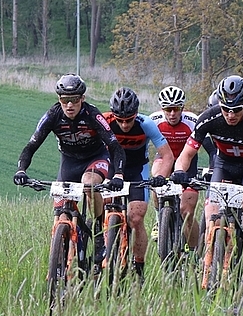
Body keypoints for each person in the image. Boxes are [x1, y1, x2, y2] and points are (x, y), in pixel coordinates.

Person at [170, 75, 243, 276]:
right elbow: (186, 154)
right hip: (224, 165)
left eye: (236, 110)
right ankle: (209, 260)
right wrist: (180, 171)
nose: (230, 115)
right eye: (226, 109)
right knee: (212, 216)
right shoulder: (209, 118)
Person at [13, 73, 126, 278]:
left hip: (95, 157)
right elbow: (32, 145)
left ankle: (99, 231)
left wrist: (117, 174)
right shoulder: (53, 115)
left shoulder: (92, 115)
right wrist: (22, 169)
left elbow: (114, 146)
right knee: (61, 213)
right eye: (65, 100)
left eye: (74, 99)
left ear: (82, 98)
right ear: (59, 100)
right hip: (69, 162)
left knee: (89, 184)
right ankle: (59, 258)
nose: (69, 104)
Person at [103, 88, 173, 281]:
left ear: (136, 114)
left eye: (129, 119)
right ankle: (102, 252)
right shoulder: (105, 122)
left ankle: (139, 267)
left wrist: (161, 177)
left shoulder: (146, 124)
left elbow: (167, 155)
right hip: (112, 168)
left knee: (135, 218)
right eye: (120, 120)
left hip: (137, 170)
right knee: (101, 209)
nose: (124, 124)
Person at [149, 86, 205, 249]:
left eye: (176, 109)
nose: (172, 114)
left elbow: (209, 146)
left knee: (186, 212)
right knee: (155, 179)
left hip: (187, 163)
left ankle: (195, 253)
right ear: (162, 108)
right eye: (168, 109)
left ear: (183, 107)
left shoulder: (192, 121)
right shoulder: (154, 120)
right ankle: (160, 220)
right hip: (164, 158)